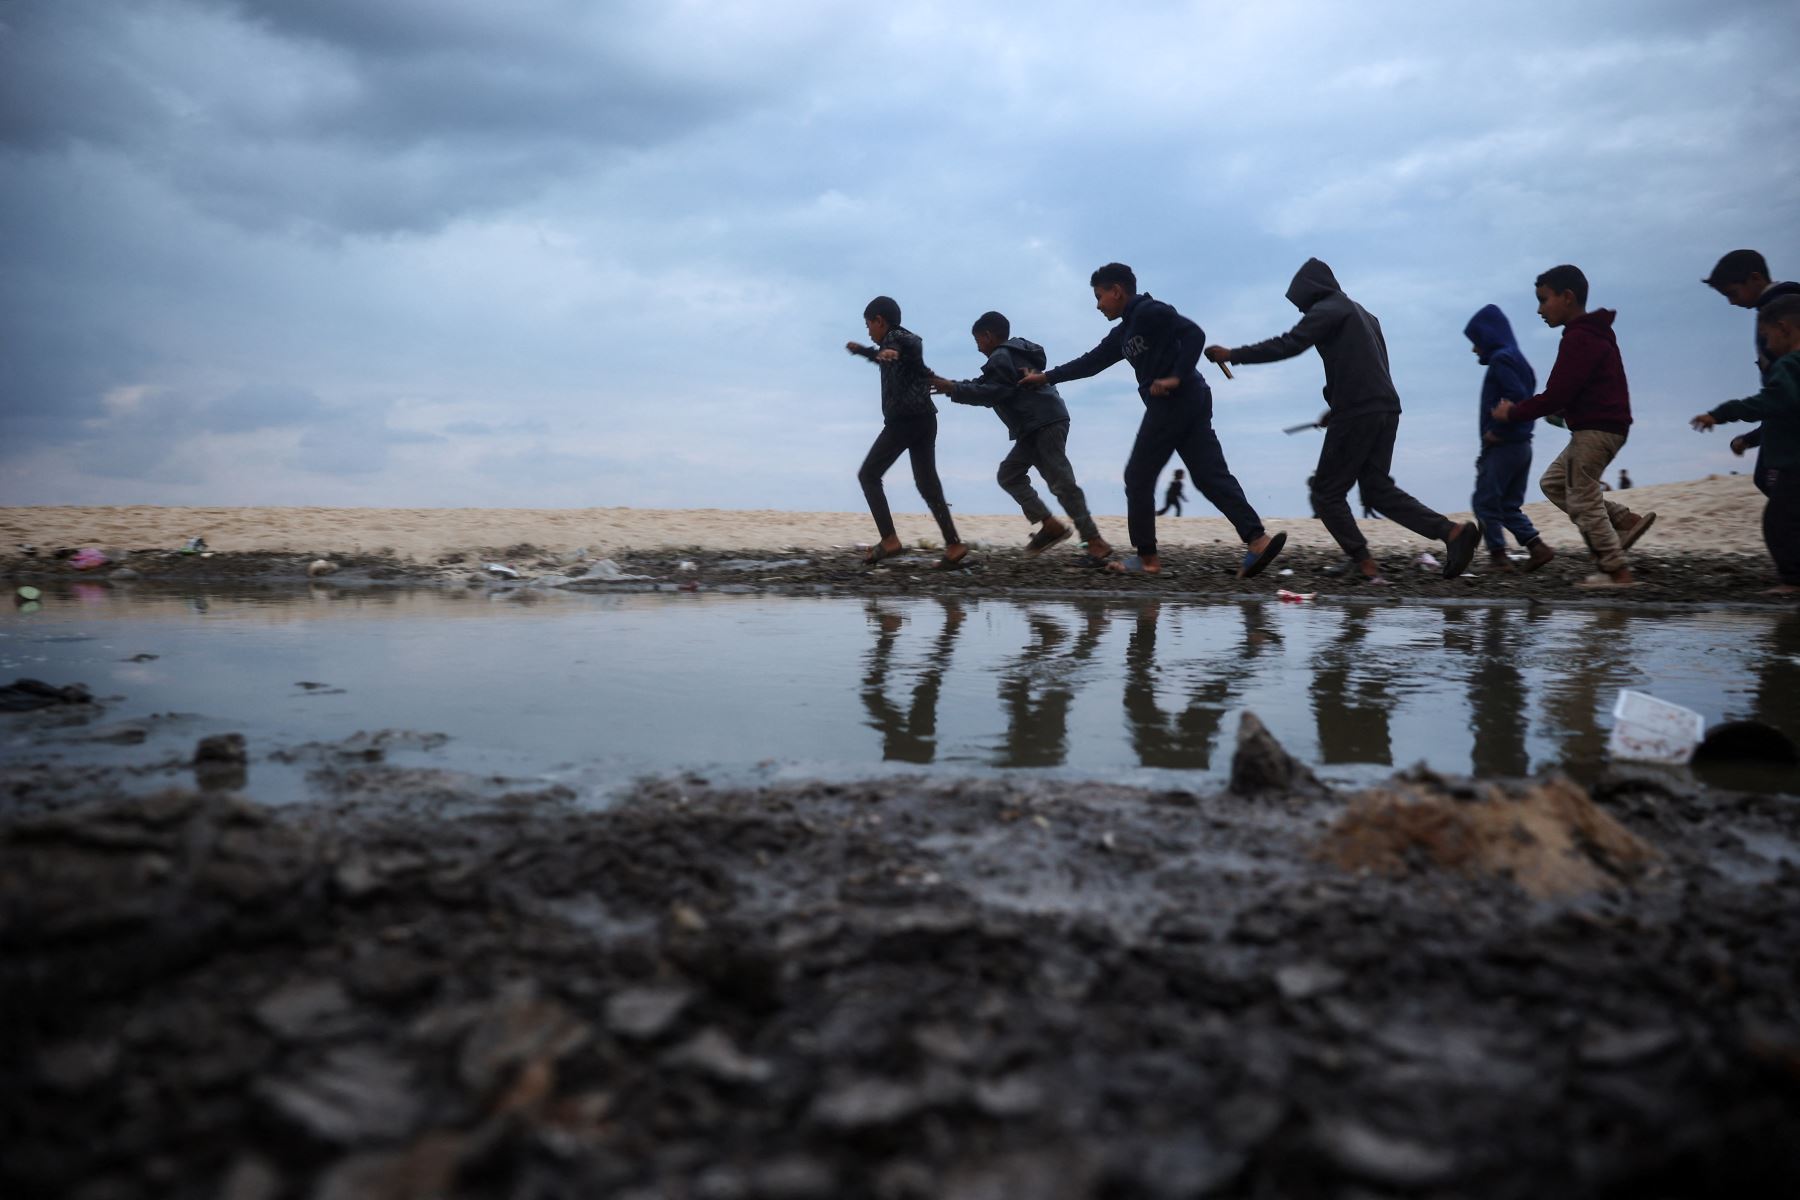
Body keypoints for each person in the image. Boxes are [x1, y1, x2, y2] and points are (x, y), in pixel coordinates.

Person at [1205, 258, 1481, 585]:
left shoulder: (1327, 308)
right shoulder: (1364, 314)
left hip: (1359, 409)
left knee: (1326, 494)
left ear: (1313, 292)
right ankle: (1452, 532)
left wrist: (1232, 354)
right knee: (1377, 490)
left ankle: (1366, 567)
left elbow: (1289, 344)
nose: (1301, 312)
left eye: (1302, 303)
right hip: (1385, 407)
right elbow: (1365, 364)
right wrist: (1336, 406)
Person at [1019, 263, 1285, 577]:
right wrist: (1047, 377)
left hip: (1175, 400)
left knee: (1138, 476)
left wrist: (1175, 377)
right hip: (1190, 400)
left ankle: (1147, 559)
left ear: (1117, 291)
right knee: (1209, 475)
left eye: (1099, 296)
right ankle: (1258, 540)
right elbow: (1091, 363)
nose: (1097, 304)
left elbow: (1193, 334)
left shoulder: (1148, 311)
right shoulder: (1124, 331)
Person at [1490, 265, 1655, 588]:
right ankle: (1626, 521)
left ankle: (1615, 571)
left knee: (1582, 498)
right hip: (1601, 426)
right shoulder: (1588, 335)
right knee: (1554, 483)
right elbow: (1575, 391)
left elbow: (1557, 395)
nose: (1539, 309)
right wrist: (1562, 408)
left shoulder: (1581, 337)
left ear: (1568, 297)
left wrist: (1513, 413)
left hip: (1597, 429)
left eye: (1543, 300)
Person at [928, 311, 1110, 563]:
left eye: (978, 340)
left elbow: (993, 392)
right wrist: (952, 385)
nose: (978, 347)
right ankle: (1050, 526)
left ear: (988, 336)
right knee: (1010, 474)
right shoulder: (1012, 355)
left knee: (1061, 482)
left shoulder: (1001, 356)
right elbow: (986, 384)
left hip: (1041, 422)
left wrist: (954, 389)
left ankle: (1095, 542)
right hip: (1038, 422)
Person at [845, 296, 968, 569]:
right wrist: (865, 352)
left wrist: (892, 351)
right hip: (925, 420)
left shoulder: (899, 338)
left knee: (868, 475)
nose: (868, 331)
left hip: (905, 421)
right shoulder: (890, 348)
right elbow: (899, 360)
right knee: (927, 484)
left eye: (869, 325)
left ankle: (889, 540)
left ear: (880, 321)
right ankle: (954, 545)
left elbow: (904, 347)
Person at [1690, 295, 1800, 595]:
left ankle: (1792, 582)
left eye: (1765, 337)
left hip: (1794, 467)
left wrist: (1719, 414)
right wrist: (1750, 440)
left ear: (1784, 328)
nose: (1763, 346)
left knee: (1778, 522)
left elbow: (1769, 403)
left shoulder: (1789, 366)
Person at [1703, 249, 1800, 495]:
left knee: (1777, 489)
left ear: (1756, 278)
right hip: (1780, 418)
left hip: (1788, 427)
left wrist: (1724, 416)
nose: (1731, 302)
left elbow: (1785, 394)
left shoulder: (1780, 308)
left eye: (1733, 293)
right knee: (1766, 480)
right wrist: (1754, 437)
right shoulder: (1779, 305)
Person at [1465, 304, 1553, 573]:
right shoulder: (1519, 359)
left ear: (1488, 336)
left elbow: (1516, 398)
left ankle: (1498, 557)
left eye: (1476, 341)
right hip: (1523, 445)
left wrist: (1498, 431)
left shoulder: (1502, 359)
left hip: (1504, 445)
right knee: (1508, 505)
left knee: (1485, 502)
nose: (1474, 349)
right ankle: (1537, 547)